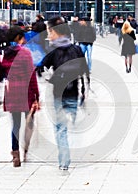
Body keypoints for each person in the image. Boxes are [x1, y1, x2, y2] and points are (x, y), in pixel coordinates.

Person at [36, 16, 89, 173]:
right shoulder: (77, 49)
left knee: (60, 129)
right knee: (71, 125)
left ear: (55, 32)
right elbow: (84, 69)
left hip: (58, 94)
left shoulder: (53, 51)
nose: (48, 35)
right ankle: (70, 151)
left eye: (50, 32)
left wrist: (50, 78)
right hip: (74, 92)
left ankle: (64, 161)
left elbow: (40, 68)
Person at [0, 26, 40, 167]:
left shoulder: (3, 55)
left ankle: (15, 153)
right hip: (26, 93)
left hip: (12, 92)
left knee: (16, 124)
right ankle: (26, 147)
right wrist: (37, 95)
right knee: (30, 121)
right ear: (19, 38)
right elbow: (32, 76)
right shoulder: (25, 53)